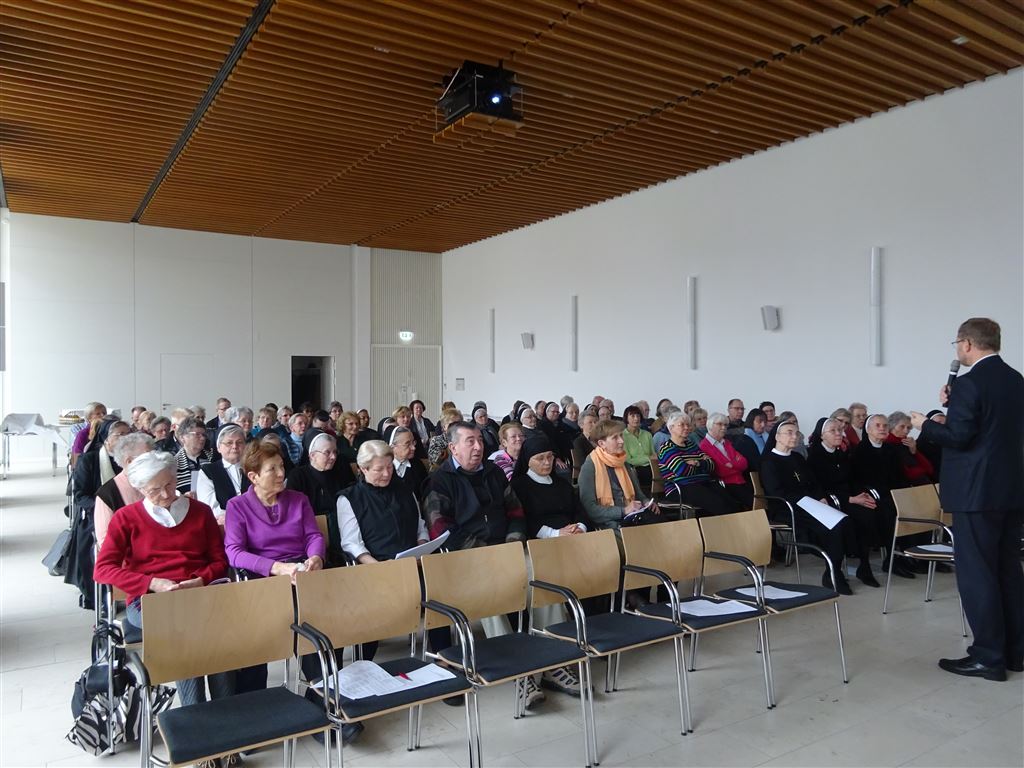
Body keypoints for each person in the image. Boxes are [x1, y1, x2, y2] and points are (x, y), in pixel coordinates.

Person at [910, 318, 1024, 681]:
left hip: (976, 493)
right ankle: (1016, 652)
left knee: (977, 575)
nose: (958, 350)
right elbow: (989, 429)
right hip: (1010, 490)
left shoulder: (971, 382)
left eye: (957, 343)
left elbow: (959, 438)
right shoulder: (1015, 380)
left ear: (968, 344)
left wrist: (924, 424)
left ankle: (988, 656)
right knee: (1008, 570)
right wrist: (954, 405)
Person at [93, 451, 231, 709]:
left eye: (169, 484)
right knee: (188, 632)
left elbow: (219, 562)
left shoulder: (200, 512)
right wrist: (152, 583)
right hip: (150, 600)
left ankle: (221, 713)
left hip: (198, 592)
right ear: (140, 488)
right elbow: (103, 570)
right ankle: (198, 714)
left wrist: (200, 580)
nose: (166, 495)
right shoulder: (126, 518)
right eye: (155, 490)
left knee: (215, 636)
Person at [224, 441, 325, 692]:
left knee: (321, 621)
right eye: (272, 469)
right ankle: (256, 701)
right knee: (259, 629)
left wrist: (316, 558)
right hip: (263, 579)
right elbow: (234, 553)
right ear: (253, 476)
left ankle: (323, 694)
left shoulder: (298, 499)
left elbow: (314, 536)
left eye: (282, 466)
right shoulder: (237, 506)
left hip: (302, 574)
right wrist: (277, 568)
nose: (282, 473)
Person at [509, 435, 585, 698]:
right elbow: (524, 521)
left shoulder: (562, 483)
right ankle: (543, 659)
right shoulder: (519, 485)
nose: (547, 462)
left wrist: (579, 528)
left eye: (550, 457)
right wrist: (555, 534)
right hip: (541, 544)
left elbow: (580, 510)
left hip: (571, 540)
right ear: (527, 460)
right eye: (540, 458)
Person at [759, 421, 854, 594]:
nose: (794, 436)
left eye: (796, 433)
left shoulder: (797, 458)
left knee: (843, 522)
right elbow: (776, 492)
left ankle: (833, 569)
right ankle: (834, 573)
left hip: (811, 505)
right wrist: (807, 502)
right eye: (789, 432)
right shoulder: (769, 461)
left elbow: (813, 482)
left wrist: (820, 497)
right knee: (830, 527)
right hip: (786, 509)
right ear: (777, 436)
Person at [807, 418, 882, 587]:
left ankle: (864, 565)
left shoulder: (841, 454)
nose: (838, 434)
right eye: (833, 431)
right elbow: (819, 488)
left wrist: (862, 495)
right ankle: (833, 570)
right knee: (844, 522)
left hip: (848, 499)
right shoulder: (814, 457)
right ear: (821, 435)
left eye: (840, 430)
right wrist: (851, 499)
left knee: (869, 515)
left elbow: (852, 479)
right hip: (828, 503)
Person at [657, 411, 743, 517]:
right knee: (719, 505)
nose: (686, 427)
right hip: (680, 487)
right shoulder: (667, 448)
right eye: (682, 425)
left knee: (732, 502)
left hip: (702, 483)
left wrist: (696, 463)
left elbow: (711, 465)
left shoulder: (691, 445)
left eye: (688, 425)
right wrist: (702, 464)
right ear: (671, 428)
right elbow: (682, 470)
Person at [287, 432, 355, 565]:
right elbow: (294, 510)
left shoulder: (341, 470)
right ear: (312, 455)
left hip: (343, 526)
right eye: (327, 452)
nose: (333, 457)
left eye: (335, 452)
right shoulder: (298, 476)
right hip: (309, 530)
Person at [578, 418, 654, 530]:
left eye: (621, 436)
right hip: (609, 523)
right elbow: (590, 509)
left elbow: (639, 494)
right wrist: (623, 510)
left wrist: (647, 502)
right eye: (615, 438)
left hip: (632, 517)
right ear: (601, 443)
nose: (621, 441)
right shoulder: (590, 466)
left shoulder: (623, 462)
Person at [94, 432, 155, 547]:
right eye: (148, 456)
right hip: (129, 557)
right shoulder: (107, 494)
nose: (154, 460)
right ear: (129, 461)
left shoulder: (158, 482)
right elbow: (105, 541)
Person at [195, 424, 249, 526]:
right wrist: (236, 519)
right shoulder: (208, 471)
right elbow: (210, 507)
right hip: (224, 528)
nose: (234, 446)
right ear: (219, 447)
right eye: (229, 443)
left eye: (239, 442)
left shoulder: (253, 467)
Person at [700, 412, 753, 510]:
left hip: (740, 481)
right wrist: (736, 465)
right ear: (710, 426)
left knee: (759, 502)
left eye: (725, 425)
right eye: (720, 424)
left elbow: (744, 463)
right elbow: (721, 469)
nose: (724, 427)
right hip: (726, 484)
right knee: (752, 505)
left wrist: (732, 465)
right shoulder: (704, 445)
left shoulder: (727, 443)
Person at [886, 411, 935, 485]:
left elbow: (929, 469)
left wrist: (914, 451)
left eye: (908, 428)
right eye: (902, 426)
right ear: (892, 426)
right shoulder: (886, 444)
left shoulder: (908, 443)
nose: (906, 431)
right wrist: (920, 471)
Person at [172, 417, 213, 493]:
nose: (202, 438)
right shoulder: (174, 463)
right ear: (182, 437)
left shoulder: (213, 457)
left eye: (204, 435)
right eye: (197, 434)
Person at [388, 426, 427, 497]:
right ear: (392, 447)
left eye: (413, 443)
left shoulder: (418, 466)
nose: (413, 448)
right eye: (408, 444)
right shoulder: (385, 469)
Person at [622, 404, 655, 486]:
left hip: (651, 467)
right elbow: (628, 460)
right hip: (635, 469)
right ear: (626, 418)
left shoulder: (647, 434)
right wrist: (648, 458)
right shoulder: (622, 437)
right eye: (632, 416)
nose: (636, 418)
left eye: (638, 416)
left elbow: (653, 454)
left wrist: (651, 459)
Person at [732, 408, 768, 472]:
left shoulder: (767, 437)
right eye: (759, 421)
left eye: (765, 422)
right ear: (751, 422)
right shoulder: (743, 440)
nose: (763, 425)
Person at [915, 409, 946, 475]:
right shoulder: (920, 444)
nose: (943, 426)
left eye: (945, 423)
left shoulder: (950, 442)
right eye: (938, 423)